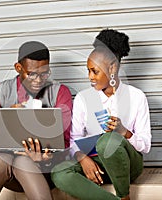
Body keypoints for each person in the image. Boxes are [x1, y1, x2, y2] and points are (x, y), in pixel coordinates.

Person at [51, 29, 152, 200]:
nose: (90, 77)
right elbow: (74, 138)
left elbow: (145, 146)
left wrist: (124, 132)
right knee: (59, 172)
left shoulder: (136, 97)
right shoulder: (83, 98)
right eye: (88, 70)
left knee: (108, 140)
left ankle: (124, 195)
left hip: (128, 166)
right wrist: (82, 158)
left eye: (95, 71)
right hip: (96, 163)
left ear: (112, 67)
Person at [0, 41, 73, 200]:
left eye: (44, 73)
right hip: (8, 169)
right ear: (18, 68)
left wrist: (48, 157)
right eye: (32, 74)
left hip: (45, 170)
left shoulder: (60, 92)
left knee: (22, 161)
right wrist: (6, 117)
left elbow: (67, 140)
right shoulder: (0, 91)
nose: (38, 80)